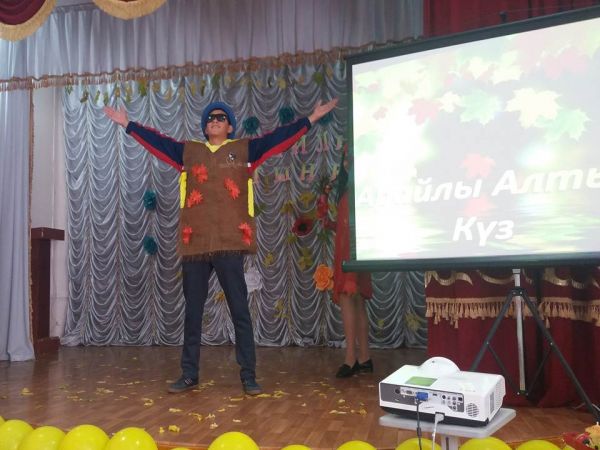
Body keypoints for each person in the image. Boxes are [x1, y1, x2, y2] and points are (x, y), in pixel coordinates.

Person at [104, 98, 338, 395]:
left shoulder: (245, 150)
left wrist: (310, 119)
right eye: (209, 118)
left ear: (229, 127)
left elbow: (278, 139)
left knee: (239, 309)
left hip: (229, 242)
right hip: (196, 243)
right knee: (192, 312)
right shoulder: (189, 152)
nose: (213, 120)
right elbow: (158, 144)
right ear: (205, 127)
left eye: (220, 117)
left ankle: (248, 375)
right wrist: (128, 124)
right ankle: (189, 374)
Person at [330, 147, 373, 378]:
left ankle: (350, 359)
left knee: (349, 300)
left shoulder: (358, 191)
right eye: (345, 158)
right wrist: (328, 222)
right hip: (350, 252)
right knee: (357, 303)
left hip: (353, 254)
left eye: (352, 158)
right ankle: (365, 357)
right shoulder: (348, 190)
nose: (348, 162)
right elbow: (342, 227)